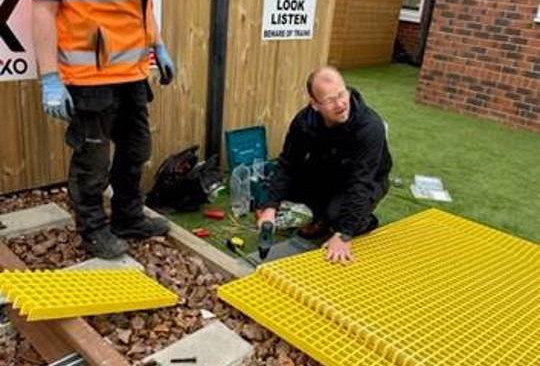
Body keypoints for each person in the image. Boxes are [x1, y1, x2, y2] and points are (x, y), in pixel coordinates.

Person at [33, 0, 175, 259]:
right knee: (93, 160)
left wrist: (159, 44)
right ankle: (93, 229)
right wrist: (50, 78)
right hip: (89, 79)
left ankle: (128, 216)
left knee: (136, 150)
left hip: (133, 75)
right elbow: (43, 9)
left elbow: (144, 8)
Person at [257, 66, 392, 264]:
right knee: (279, 195)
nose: (340, 104)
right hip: (331, 170)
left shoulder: (370, 127)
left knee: (336, 214)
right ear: (315, 104)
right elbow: (288, 164)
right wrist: (270, 207)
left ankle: (359, 222)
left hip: (368, 178)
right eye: (330, 100)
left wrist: (344, 234)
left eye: (342, 94)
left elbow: (361, 182)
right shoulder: (303, 122)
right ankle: (321, 218)